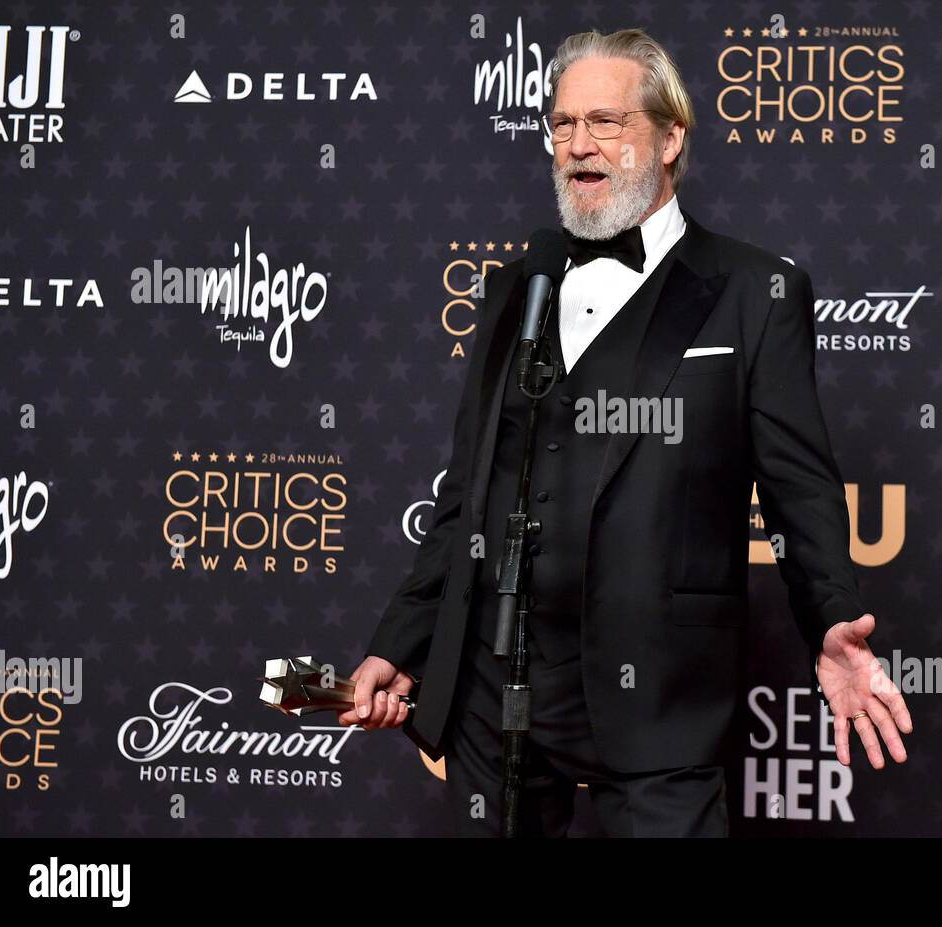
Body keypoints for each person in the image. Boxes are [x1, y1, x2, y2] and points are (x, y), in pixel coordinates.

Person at [338, 27, 912, 836]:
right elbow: (468, 493)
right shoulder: (514, 287)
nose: (580, 145)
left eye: (606, 122)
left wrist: (831, 618)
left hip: (662, 696)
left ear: (671, 136)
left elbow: (799, 486)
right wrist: (401, 641)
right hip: (494, 690)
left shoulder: (756, 290)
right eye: (563, 125)